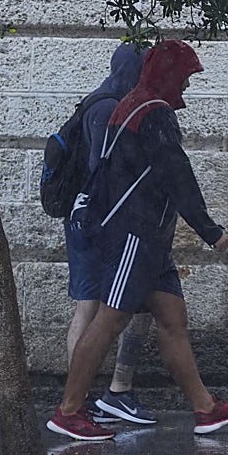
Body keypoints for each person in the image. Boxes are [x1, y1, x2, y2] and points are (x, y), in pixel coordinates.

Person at [47, 40, 228, 441]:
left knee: (172, 320)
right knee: (110, 320)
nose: (188, 85)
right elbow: (176, 175)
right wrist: (210, 231)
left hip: (147, 239)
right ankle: (68, 412)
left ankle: (205, 409)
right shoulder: (153, 112)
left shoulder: (133, 105)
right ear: (168, 75)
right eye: (186, 76)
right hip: (135, 236)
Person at [63, 42, 159, 426]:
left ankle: (107, 395)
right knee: (91, 307)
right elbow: (103, 171)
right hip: (97, 223)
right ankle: (83, 401)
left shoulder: (108, 102)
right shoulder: (107, 109)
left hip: (97, 219)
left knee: (132, 304)